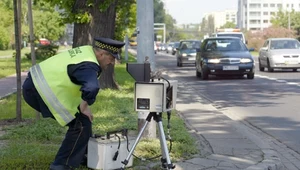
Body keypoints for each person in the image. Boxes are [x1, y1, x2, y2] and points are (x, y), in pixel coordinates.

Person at [22, 37, 125, 170]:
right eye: (111, 58)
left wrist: (83, 106)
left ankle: (83, 156)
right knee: (80, 124)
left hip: (35, 85)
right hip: (40, 91)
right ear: (101, 54)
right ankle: (61, 165)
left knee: (84, 121)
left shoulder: (87, 52)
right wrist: (84, 106)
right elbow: (92, 87)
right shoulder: (89, 65)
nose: (112, 62)